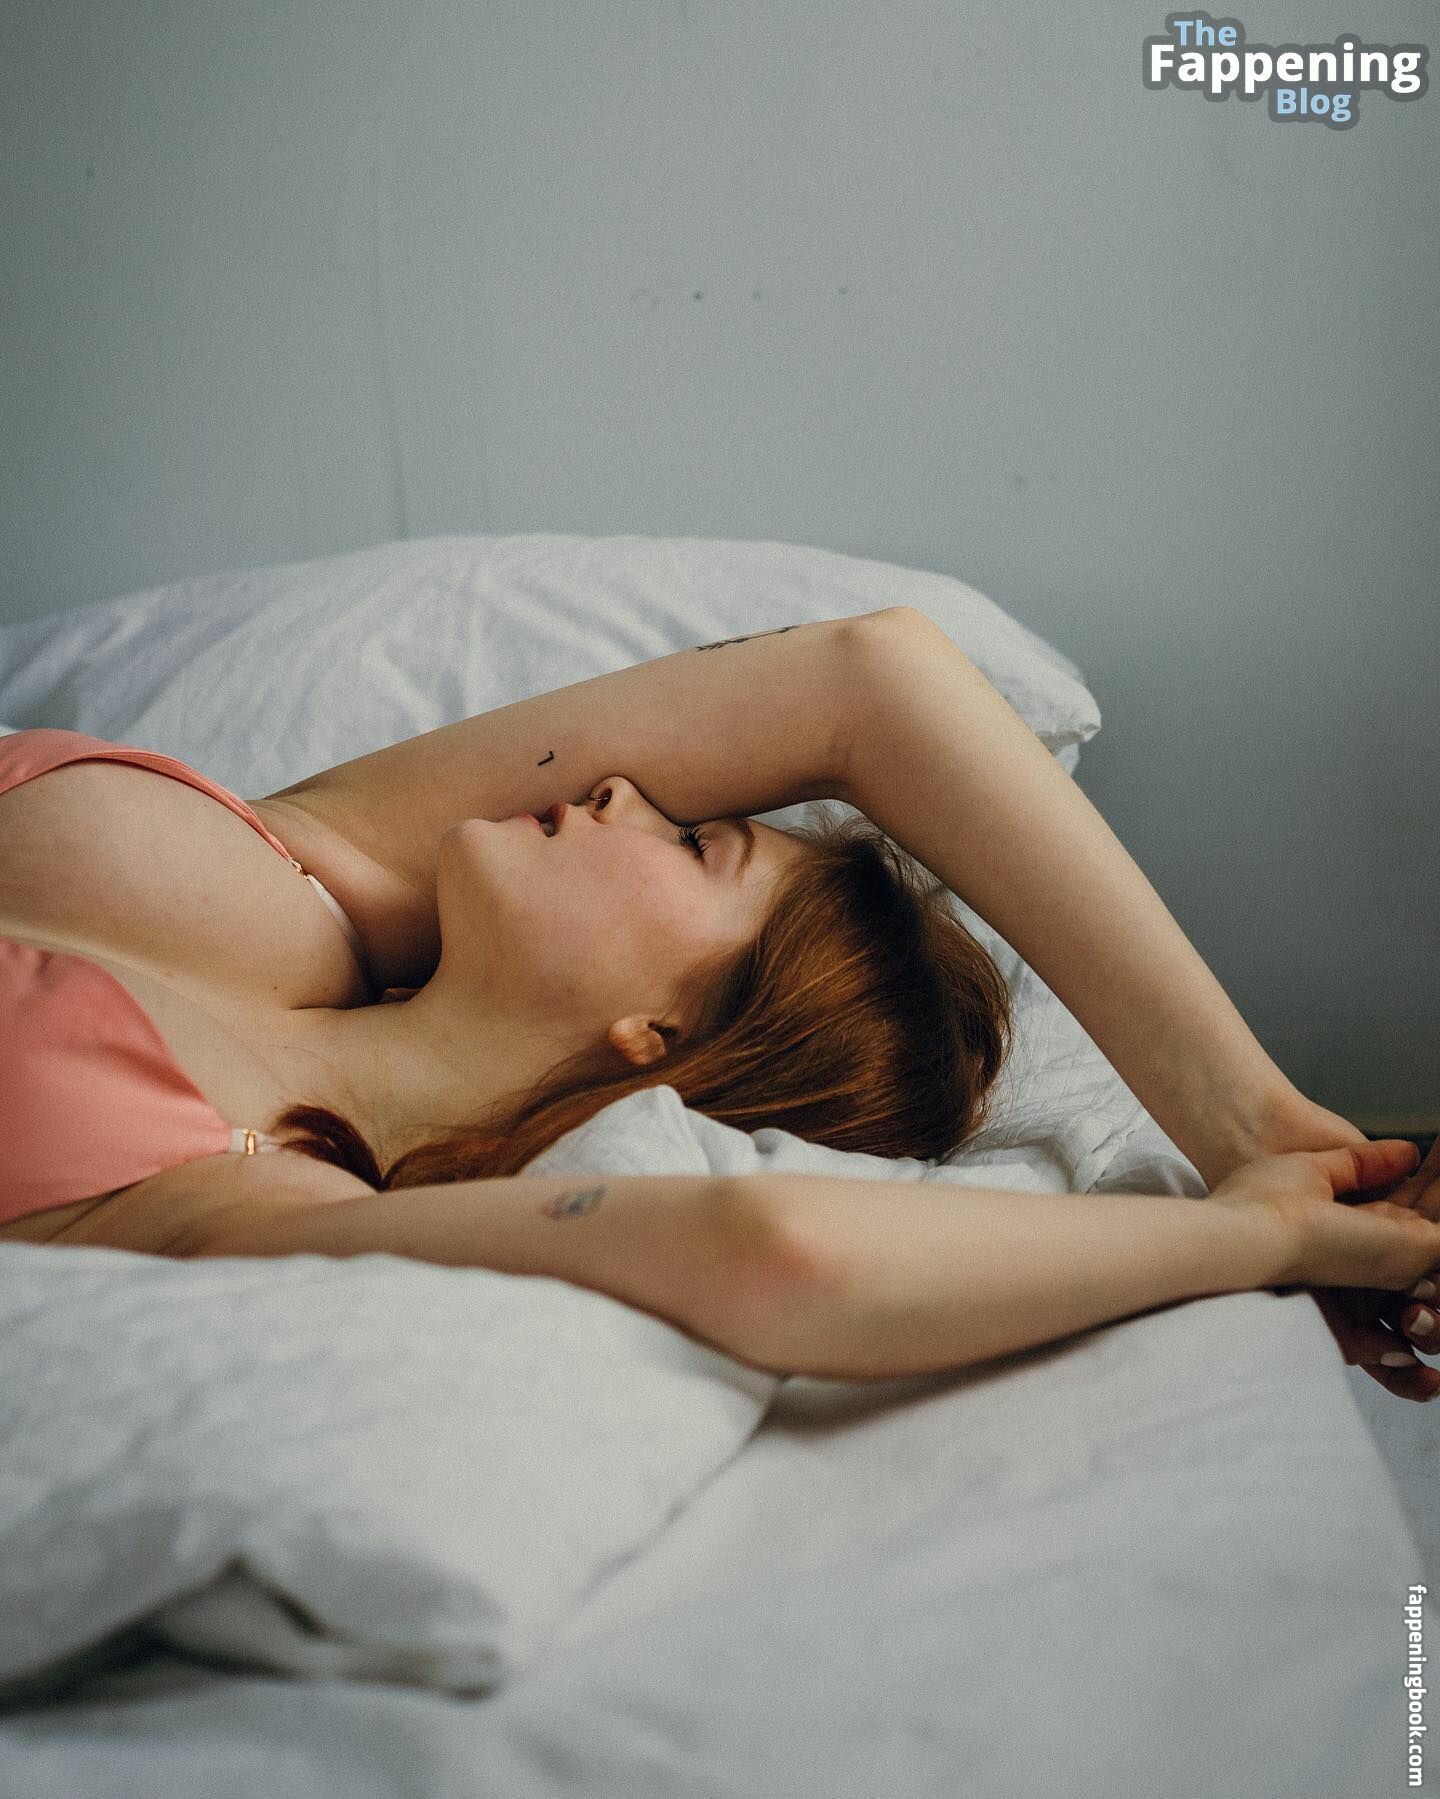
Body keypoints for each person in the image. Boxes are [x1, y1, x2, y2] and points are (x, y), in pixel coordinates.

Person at [2, 606, 1436, 1396]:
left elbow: (775, 1249)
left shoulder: (255, 1200)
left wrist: (1260, 1235)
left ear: (661, 1042)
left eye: (695, 845)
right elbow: (867, 678)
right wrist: (1249, 1118)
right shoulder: (329, 875)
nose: (620, 788)